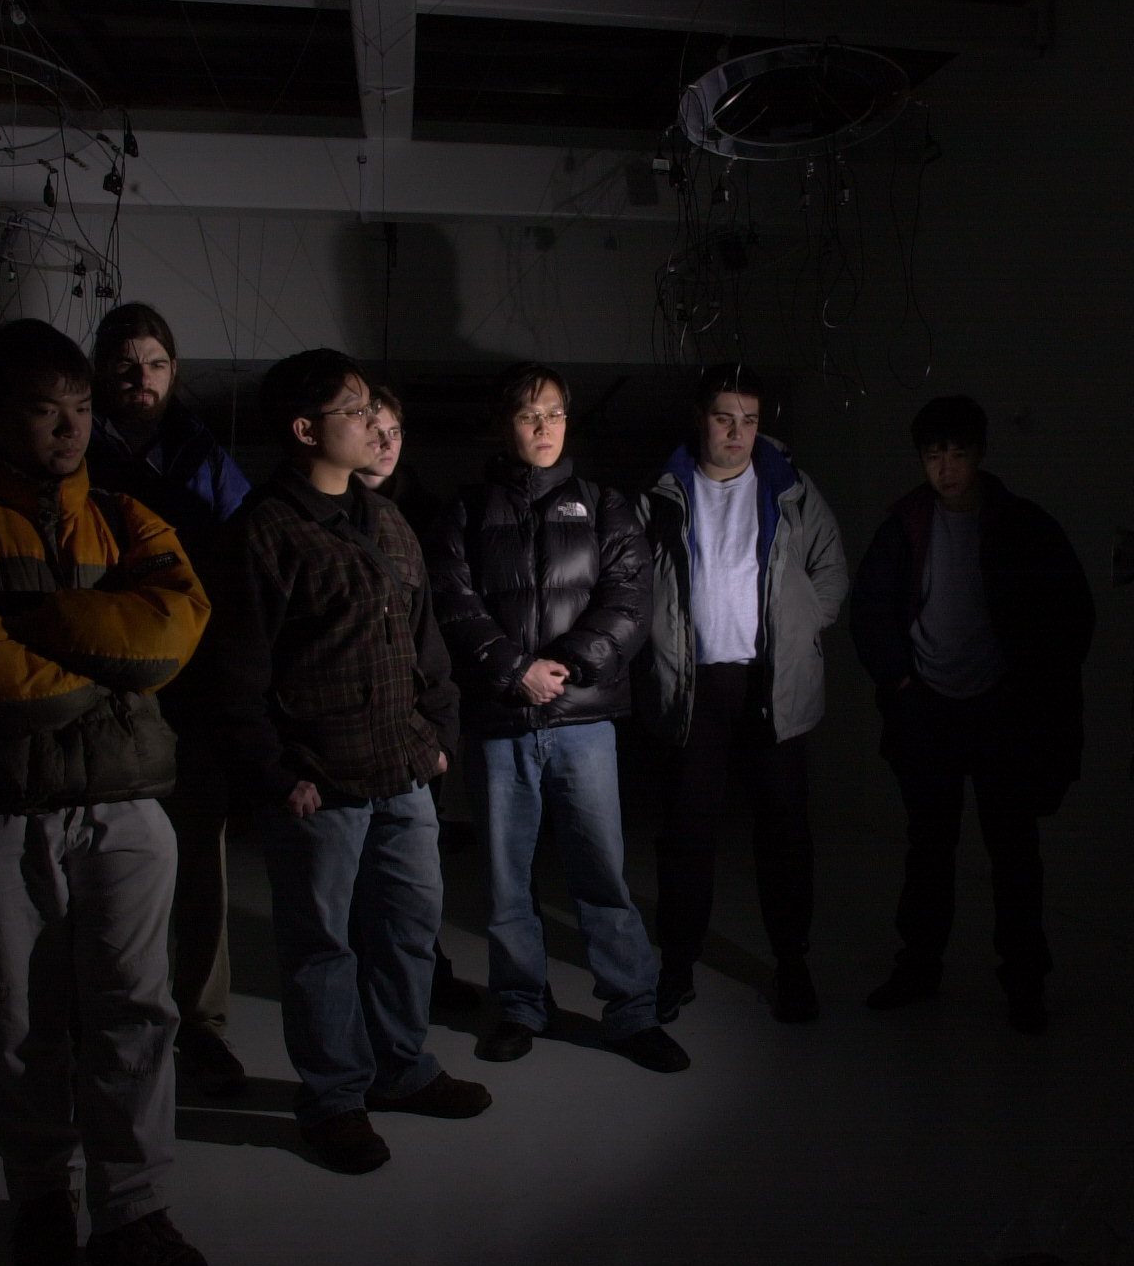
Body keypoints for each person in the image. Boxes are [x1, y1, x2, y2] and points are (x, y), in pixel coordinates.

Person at [0, 319, 212, 1266]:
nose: (69, 429)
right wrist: (103, 663)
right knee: (18, 1023)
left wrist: (33, 623)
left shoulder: (129, 514)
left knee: (139, 1011)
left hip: (125, 803)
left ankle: (135, 1209)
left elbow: (172, 630)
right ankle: (39, 1195)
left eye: (82, 408)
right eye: (42, 409)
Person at [192, 348, 488, 1177]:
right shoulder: (263, 532)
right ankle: (333, 1100)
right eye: (354, 411)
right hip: (320, 785)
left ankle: (403, 1068)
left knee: (407, 930)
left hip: (404, 771)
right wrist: (277, 773)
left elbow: (427, 642)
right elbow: (236, 675)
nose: (371, 425)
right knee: (323, 947)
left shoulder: (387, 521)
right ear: (304, 429)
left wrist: (440, 735)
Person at [430, 362, 687, 1073]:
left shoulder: (605, 506)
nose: (543, 428)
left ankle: (632, 1012)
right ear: (504, 425)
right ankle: (520, 1006)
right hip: (500, 722)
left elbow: (630, 599)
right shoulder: (465, 510)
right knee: (506, 880)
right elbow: (452, 602)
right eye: (528, 415)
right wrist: (516, 671)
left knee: (601, 874)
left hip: (583, 725)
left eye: (554, 414)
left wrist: (563, 667)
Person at [850, 396, 1092, 1034]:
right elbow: (869, 609)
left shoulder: (1021, 525)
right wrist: (901, 681)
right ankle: (919, 966)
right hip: (927, 709)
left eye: (957, 455)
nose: (947, 469)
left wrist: (1031, 686)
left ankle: (1024, 982)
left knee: (1013, 850)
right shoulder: (906, 524)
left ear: (980, 454)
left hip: (1001, 711)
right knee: (930, 847)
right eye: (935, 456)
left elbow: (1070, 612)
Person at [634, 363, 848, 1024]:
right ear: (700, 418)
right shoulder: (664, 491)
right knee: (686, 834)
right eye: (725, 418)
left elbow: (830, 569)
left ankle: (791, 963)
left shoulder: (790, 487)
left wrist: (798, 629)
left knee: (784, 834)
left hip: (769, 683)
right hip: (692, 686)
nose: (737, 432)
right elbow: (629, 577)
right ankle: (677, 966)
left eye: (749, 420)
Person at [89, 302, 252, 1097]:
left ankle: (204, 1026)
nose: (141, 378)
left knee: (199, 861)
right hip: (103, 686)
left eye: (155, 362)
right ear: (102, 372)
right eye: (126, 364)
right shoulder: (76, 453)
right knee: (109, 866)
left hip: (194, 687)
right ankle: (115, 1024)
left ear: (175, 369)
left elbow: (245, 559)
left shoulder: (205, 456)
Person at [357, 384, 480, 1013]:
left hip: (413, 714)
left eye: (395, 432)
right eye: (373, 430)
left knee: (415, 864)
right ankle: (372, 981)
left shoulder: (429, 515)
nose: (385, 444)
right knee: (355, 865)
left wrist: (441, 730)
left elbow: (443, 624)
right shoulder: (322, 513)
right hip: (350, 715)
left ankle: (423, 973)